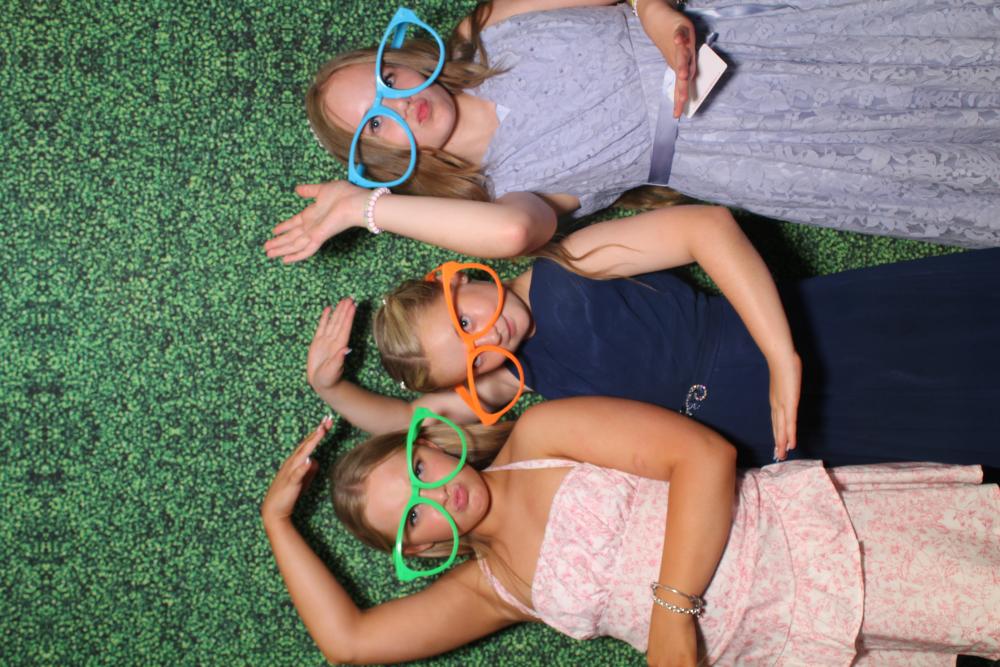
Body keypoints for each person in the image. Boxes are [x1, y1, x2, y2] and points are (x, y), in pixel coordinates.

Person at [261, 399, 1000, 665]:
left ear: (433, 442)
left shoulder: (541, 436)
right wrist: (277, 522)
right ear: (421, 548)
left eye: (420, 468)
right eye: (416, 513)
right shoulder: (495, 589)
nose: (437, 492)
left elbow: (702, 456)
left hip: (824, 547)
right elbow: (349, 642)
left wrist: (671, 613)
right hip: (793, 649)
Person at [264, 0, 1000, 263]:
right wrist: (368, 209)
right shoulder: (497, 195)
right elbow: (515, 236)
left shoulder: (495, 24)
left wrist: (649, 10)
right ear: (384, 155)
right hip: (757, 151)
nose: (400, 106)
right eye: (377, 123)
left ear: (406, 57)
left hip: (762, 34)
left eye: (388, 80)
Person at [306, 201, 1000, 468]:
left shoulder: (566, 264)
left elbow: (707, 228)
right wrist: (332, 389)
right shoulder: (518, 375)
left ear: (458, 277)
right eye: (471, 357)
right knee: (960, 425)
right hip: (770, 434)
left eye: (466, 318)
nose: (488, 337)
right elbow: (410, 420)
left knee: (962, 338)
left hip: (797, 337)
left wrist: (781, 356)